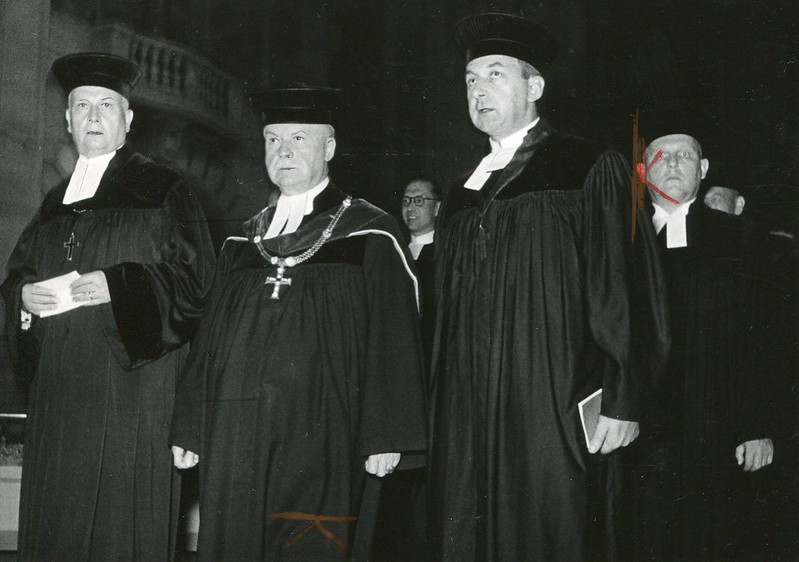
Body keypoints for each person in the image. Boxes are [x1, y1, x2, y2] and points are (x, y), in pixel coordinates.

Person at [427, 12, 668, 561]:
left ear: (534, 87)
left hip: (552, 398)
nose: (479, 90)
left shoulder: (588, 166)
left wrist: (623, 400)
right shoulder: (462, 193)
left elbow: (624, 285)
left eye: (495, 74)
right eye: (470, 79)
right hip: (468, 408)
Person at [169, 87, 427, 561]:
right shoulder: (241, 242)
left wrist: (387, 434)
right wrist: (190, 425)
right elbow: (208, 341)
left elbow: (394, 337)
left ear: (329, 148)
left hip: (324, 429)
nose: (283, 151)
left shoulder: (371, 232)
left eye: (298, 139)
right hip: (236, 430)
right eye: (272, 140)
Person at [1, 52, 215, 560]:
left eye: (106, 105)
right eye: (82, 106)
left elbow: (199, 284)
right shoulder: (53, 203)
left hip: (132, 399)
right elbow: (17, 276)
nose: (93, 116)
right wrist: (23, 295)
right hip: (61, 399)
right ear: (67, 120)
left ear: (128, 119)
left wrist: (120, 285)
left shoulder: (166, 191)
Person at [629, 124, 784, 559]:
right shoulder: (622, 242)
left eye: (685, 155)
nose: (673, 163)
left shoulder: (741, 237)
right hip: (643, 428)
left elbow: (766, 340)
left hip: (720, 423)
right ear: (642, 172)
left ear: (704, 169)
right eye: (661, 156)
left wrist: (758, 426)